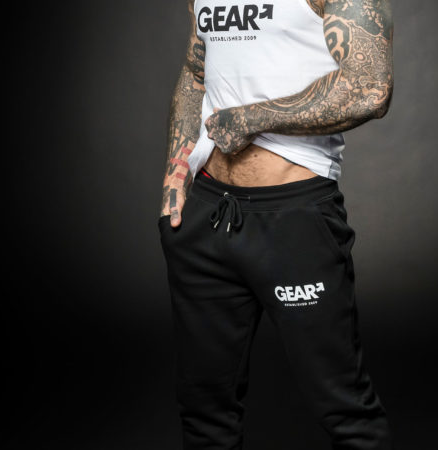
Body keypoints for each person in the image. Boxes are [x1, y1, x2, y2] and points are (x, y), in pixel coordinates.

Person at [158, 1, 394, 448]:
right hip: (206, 214)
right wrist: (175, 177)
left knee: (345, 409)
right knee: (204, 410)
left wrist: (252, 118)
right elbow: (194, 73)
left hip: (293, 217)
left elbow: (370, 88)